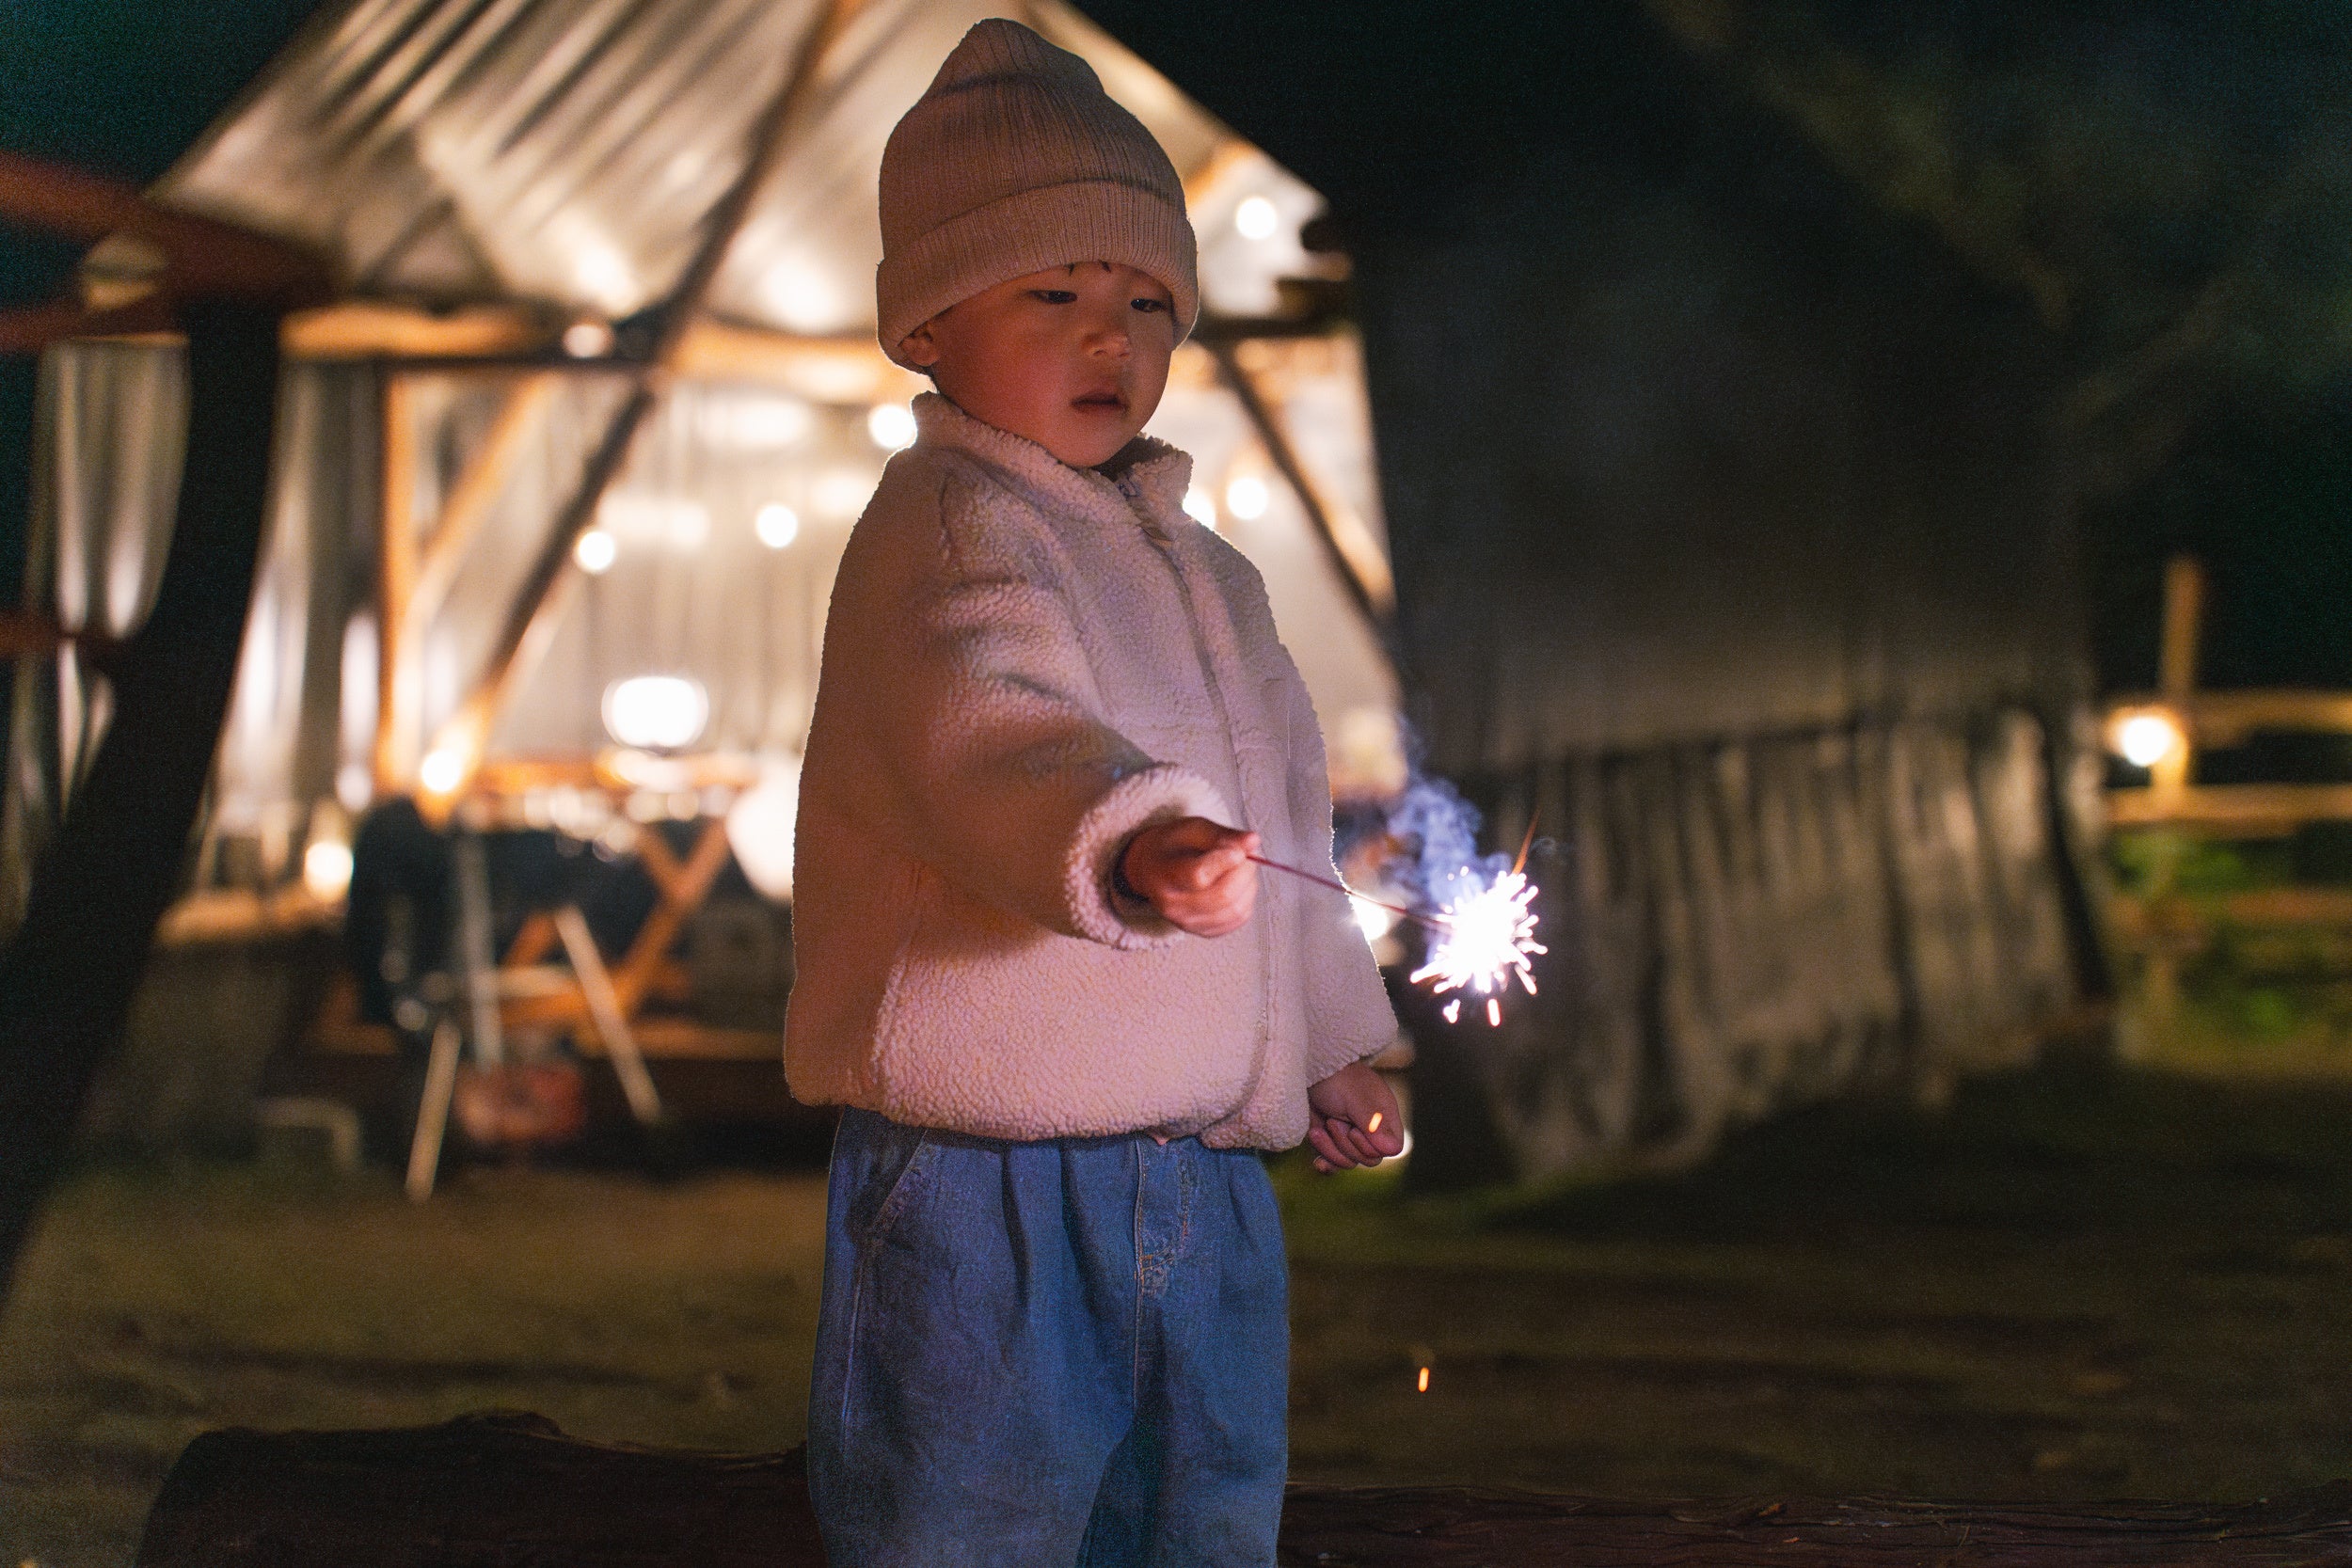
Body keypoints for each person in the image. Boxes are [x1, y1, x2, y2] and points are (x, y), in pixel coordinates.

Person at [786, 20, 1404, 1565]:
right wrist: (1132, 841)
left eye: (1144, 302)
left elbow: (1293, 833)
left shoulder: (1216, 576)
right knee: (971, 1530)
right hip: (991, 1185)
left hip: (1204, 1176)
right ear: (929, 323)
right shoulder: (946, 531)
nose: (1107, 340)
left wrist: (1327, 1041)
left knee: (1196, 1525)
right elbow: (985, 731)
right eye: (1050, 295)